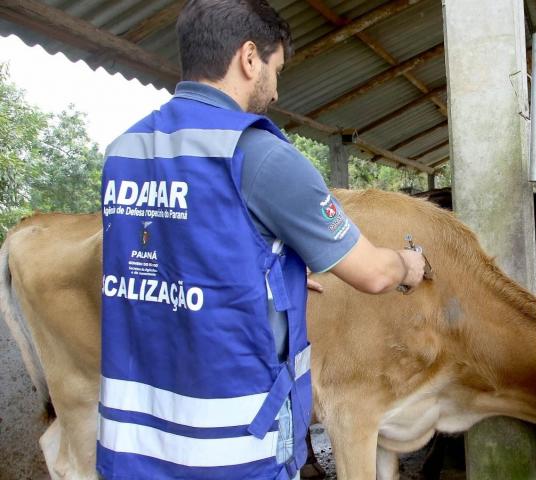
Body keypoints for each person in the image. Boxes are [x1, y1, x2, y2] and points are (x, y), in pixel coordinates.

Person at [97, 1, 426, 479]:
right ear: (249, 58)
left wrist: (275, 270)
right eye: (277, 70)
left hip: (135, 446)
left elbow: (173, 253)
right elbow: (373, 274)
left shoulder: (124, 149)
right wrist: (408, 264)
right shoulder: (260, 154)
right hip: (231, 449)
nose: (275, 89)